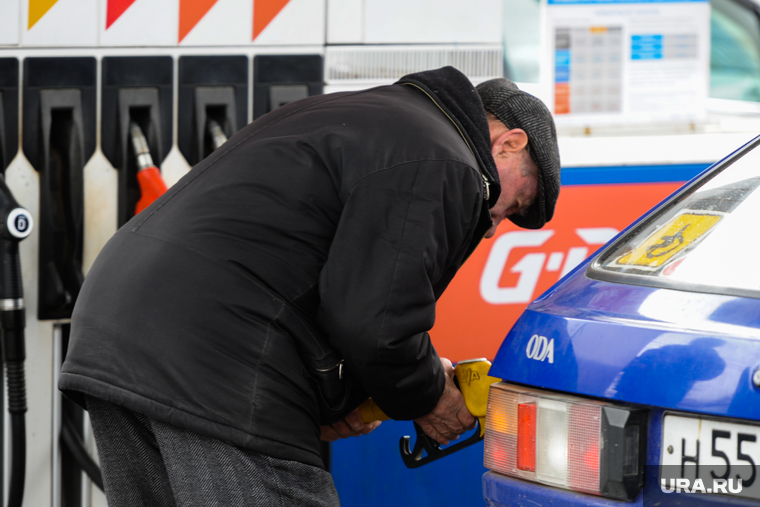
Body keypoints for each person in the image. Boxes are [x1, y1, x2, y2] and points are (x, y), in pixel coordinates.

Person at [59, 66, 560, 506]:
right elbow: (377, 325)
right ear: (509, 143)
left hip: (115, 333)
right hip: (212, 362)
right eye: (515, 203)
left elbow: (313, 278)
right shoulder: (444, 160)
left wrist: (334, 403)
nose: (495, 223)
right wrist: (431, 396)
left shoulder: (375, 117)